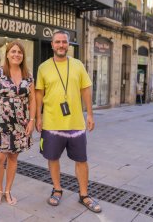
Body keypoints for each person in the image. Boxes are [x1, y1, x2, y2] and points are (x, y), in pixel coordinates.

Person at [35, 30, 101, 213]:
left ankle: (84, 195)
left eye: (64, 42)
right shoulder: (43, 67)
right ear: (52, 45)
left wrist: (90, 115)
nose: (61, 45)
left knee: (81, 160)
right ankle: (57, 189)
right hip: (51, 123)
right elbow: (38, 94)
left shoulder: (78, 65)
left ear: (68, 44)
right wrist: (38, 117)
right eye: (58, 42)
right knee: (53, 158)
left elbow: (86, 90)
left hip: (76, 123)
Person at [0, 41, 36, 206]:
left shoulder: (28, 75)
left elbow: (33, 99)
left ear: (23, 56)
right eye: (13, 51)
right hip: (0, 123)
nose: (16, 54)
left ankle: (8, 190)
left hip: (20, 123)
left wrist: (32, 120)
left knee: (13, 156)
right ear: (7, 54)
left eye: (19, 52)